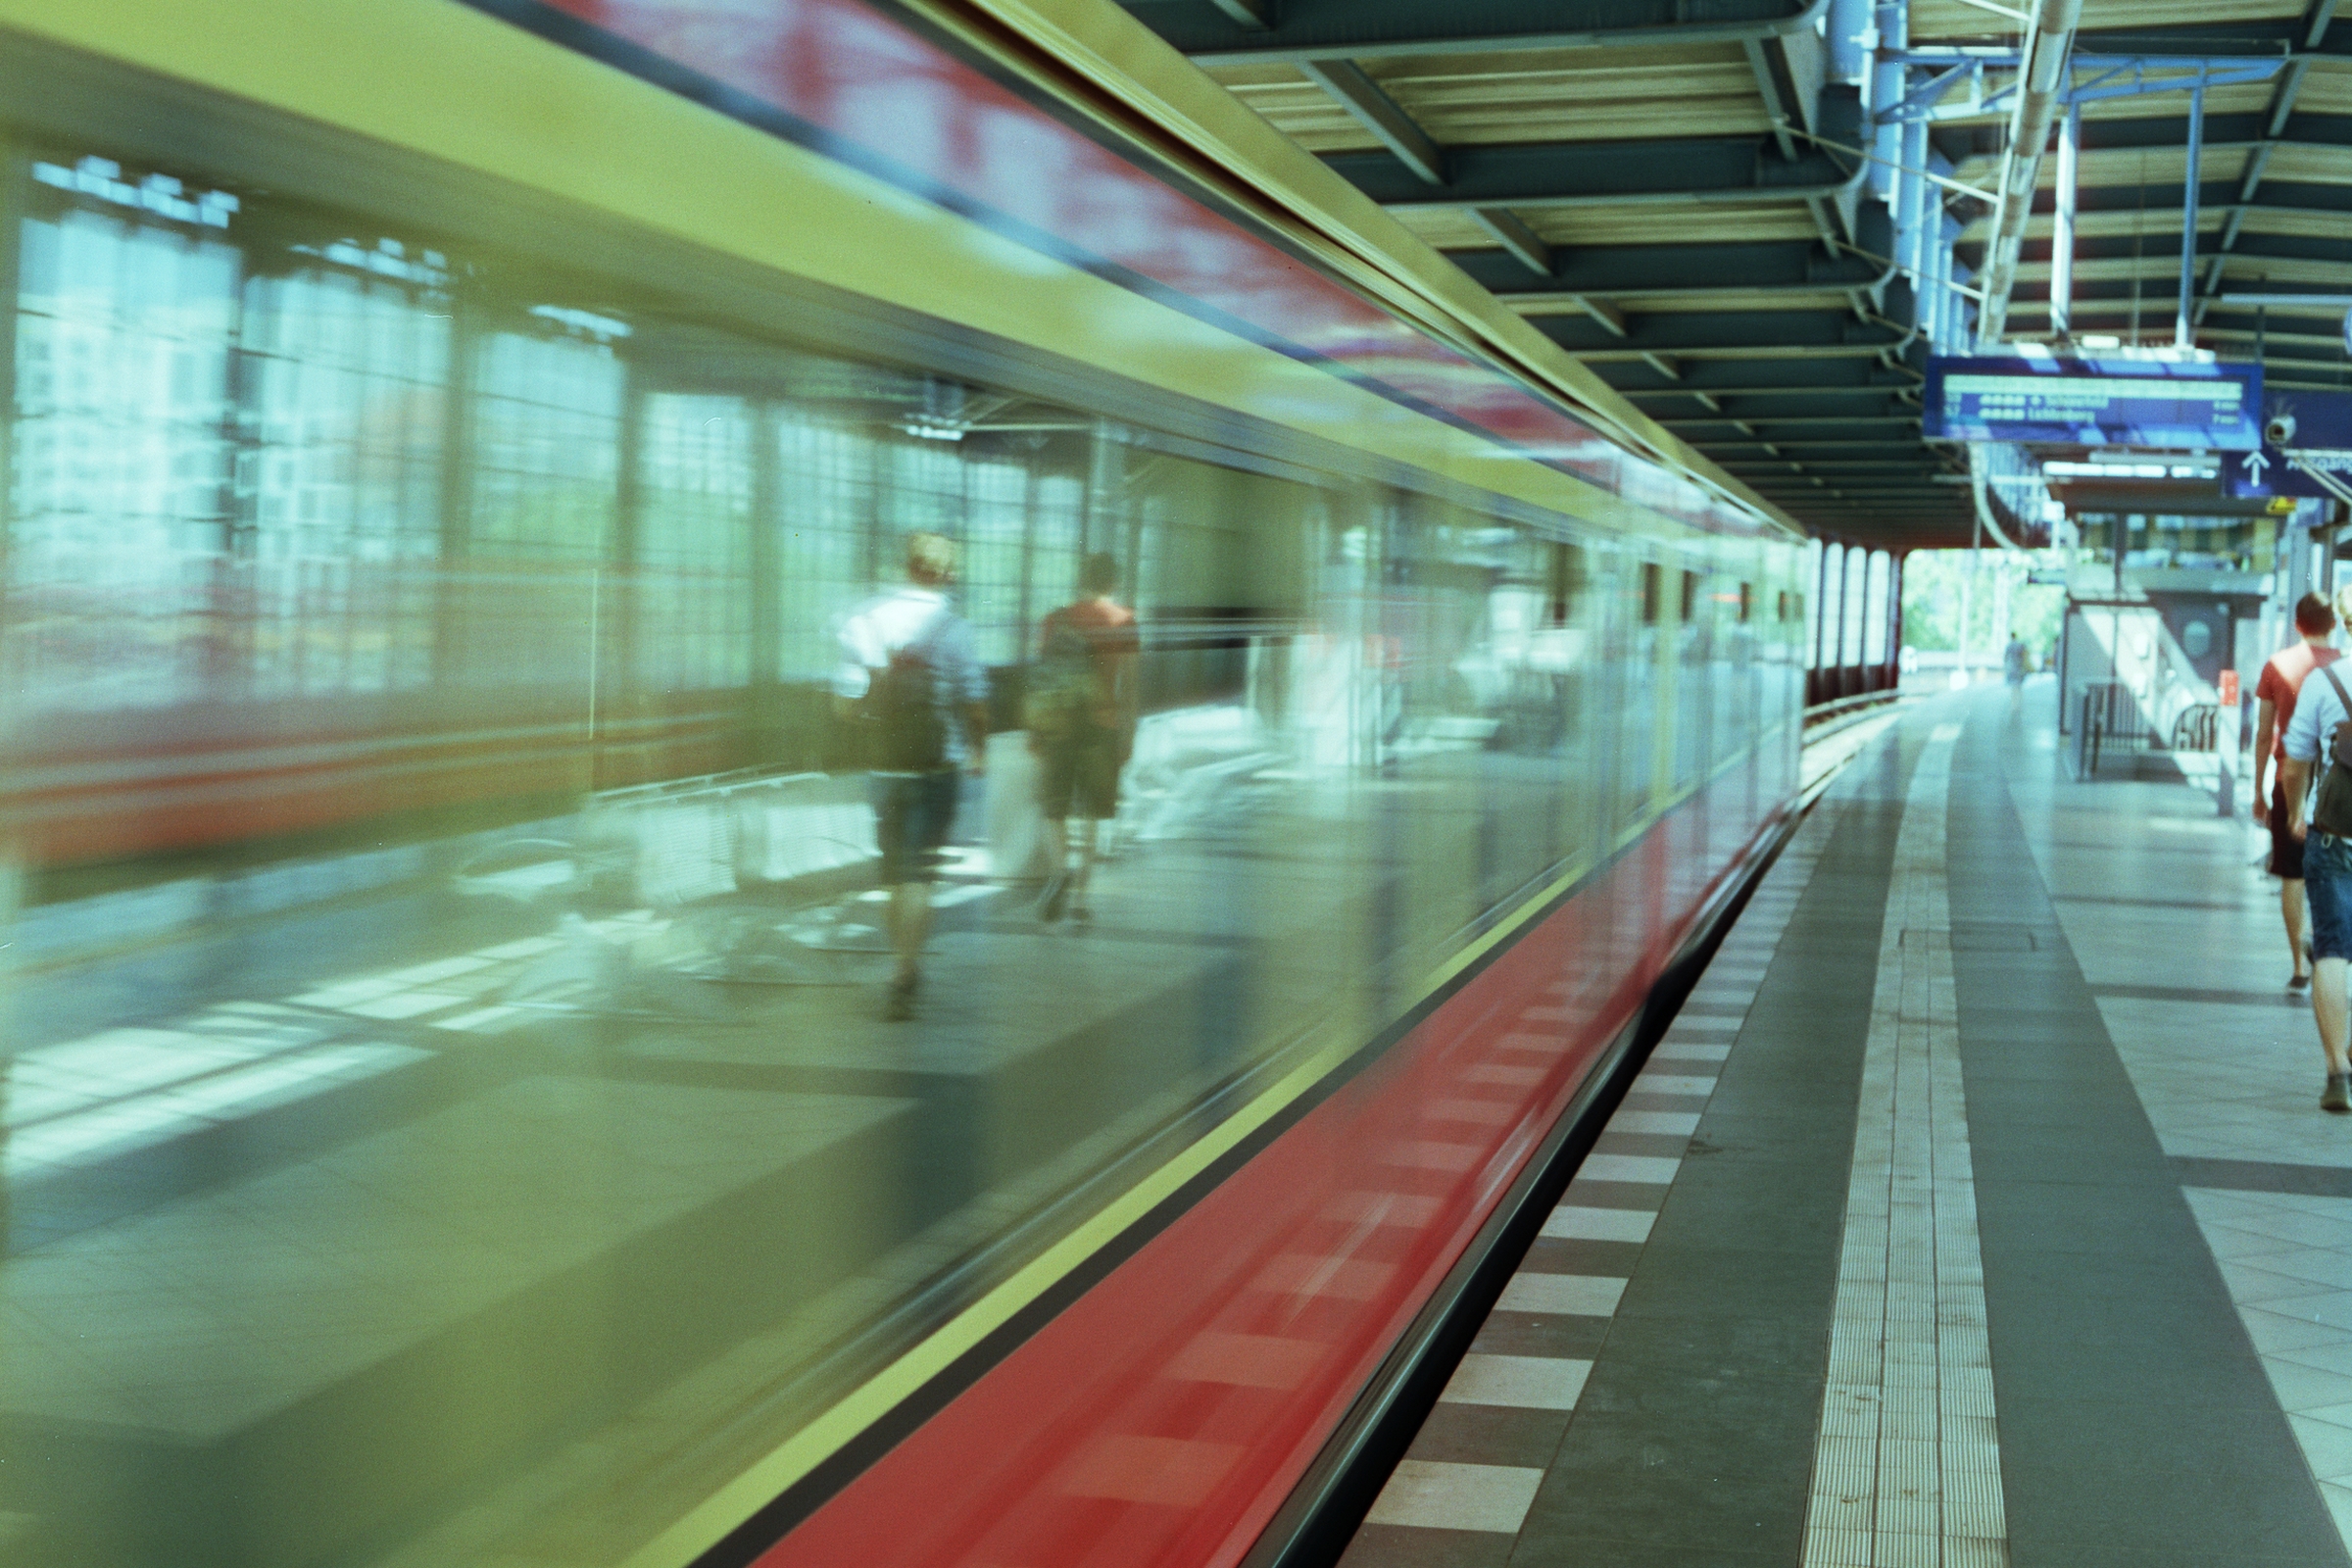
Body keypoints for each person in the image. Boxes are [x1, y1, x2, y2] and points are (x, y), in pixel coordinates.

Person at [834, 533, 990, 1019]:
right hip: (937, 764)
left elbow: (843, 705)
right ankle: (906, 969)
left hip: (886, 765)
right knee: (921, 873)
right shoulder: (955, 627)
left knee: (894, 874)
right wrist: (978, 749)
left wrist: (876, 713)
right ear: (946, 574)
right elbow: (975, 699)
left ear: (906, 566)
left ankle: (897, 962)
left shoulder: (866, 618)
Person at [1025, 552, 1139, 924]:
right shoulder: (1125, 621)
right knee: (1091, 814)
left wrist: (1036, 731)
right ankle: (1080, 901)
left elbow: (1040, 679)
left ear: (1082, 580)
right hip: (1102, 727)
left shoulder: (1055, 620)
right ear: (1113, 582)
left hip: (1060, 724)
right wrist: (1128, 735)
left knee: (1054, 809)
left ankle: (1061, 870)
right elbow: (1131, 687)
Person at [2255, 593, 2342, 993]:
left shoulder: (2277, 666)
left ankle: (2299, 966)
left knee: (2292, 874)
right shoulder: (2343, 667)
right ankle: (2332, 953)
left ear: (2297, 624)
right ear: (2333, 624)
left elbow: (2264, 735)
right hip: (2338, 789)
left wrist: (2258, 790)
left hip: (2289, 783)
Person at [2281, 653, 2352, 1113]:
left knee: (2332, 949)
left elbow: (2294, 764)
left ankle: (2337, 1073)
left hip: (2332, 833)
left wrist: (2295, 812)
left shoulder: (2325, 680)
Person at [2003, 633, 2029, 713]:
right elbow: (2024, 656)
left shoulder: (2009, 646)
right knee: (2019, 687)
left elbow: (2006, 657)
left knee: (2013, 688)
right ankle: (2019, 704)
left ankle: (2014, 705)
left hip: (2012, 668)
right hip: (2019, 668)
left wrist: (2005, 666)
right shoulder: (2020, 645)